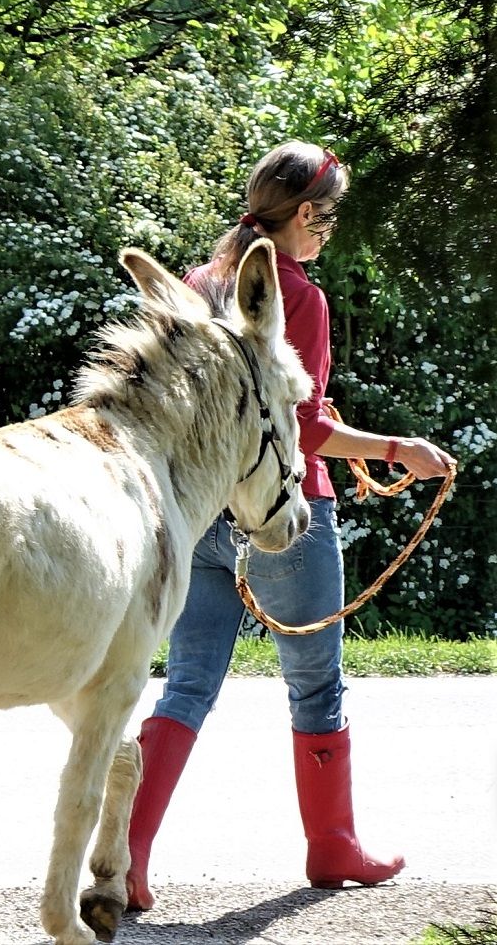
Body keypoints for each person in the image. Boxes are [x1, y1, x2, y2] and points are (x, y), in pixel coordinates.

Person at [125, 141, 456, 911]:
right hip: (285, 514)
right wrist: (397, 448)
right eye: (328, 218)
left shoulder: (204, 280)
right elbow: (298, 429)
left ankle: (126, 854)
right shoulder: (294, 293)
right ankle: (333, 844)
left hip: (203, 515)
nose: (328, 232)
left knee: (188, 684)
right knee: (317, 688)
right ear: (305, 214)